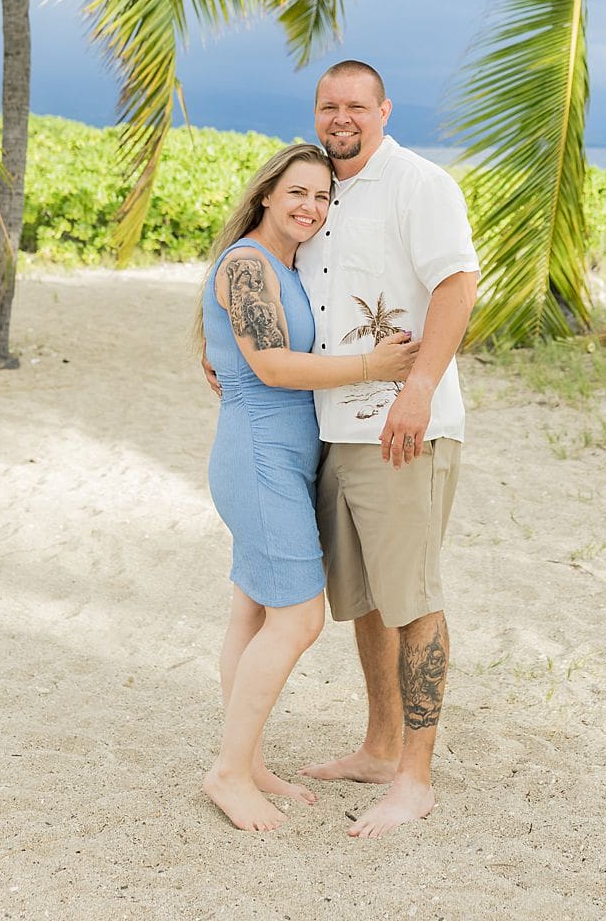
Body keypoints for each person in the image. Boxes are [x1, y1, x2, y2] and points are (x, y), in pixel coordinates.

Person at [195, 143, 421, 833]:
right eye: (297, 192)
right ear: (266, 193)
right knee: (298, 618)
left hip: (282, 456)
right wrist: (372, 365)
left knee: (255, 614)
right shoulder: (247, 264)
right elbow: (267, 364)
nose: (310, 207)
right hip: (259, 456)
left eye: (323, 197)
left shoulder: (285, 267)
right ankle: (230, 773)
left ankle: (248, 760)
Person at [295, 60, 478, 839]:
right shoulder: (314, 189)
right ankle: (378, 746)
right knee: (365, 601)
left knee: (413, 602)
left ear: (383, 110)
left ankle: (416, 775)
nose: (342, 117)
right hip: (333, 428)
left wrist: (419, 387)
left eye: (356, 106)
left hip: (405, 429)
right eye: (329, 105)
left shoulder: (419, 184)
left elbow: (458, 283)